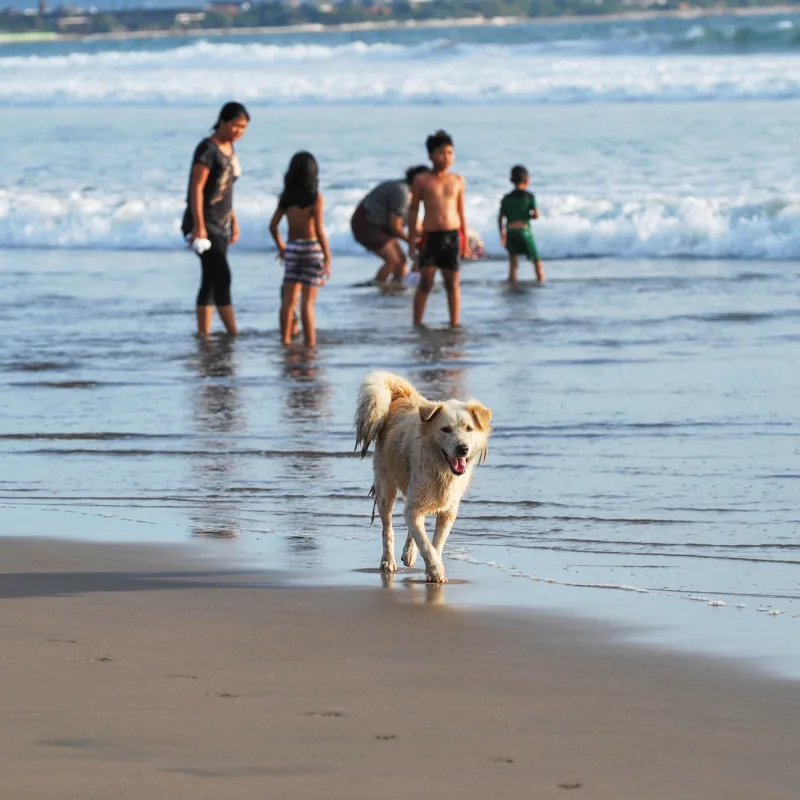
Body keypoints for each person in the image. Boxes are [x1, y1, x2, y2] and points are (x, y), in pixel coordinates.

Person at [182, 101, 250, 337]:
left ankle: (204, 333)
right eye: (235, 125)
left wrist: (234, 220)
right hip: (204, 222)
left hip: (221, 221)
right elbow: (196, 189)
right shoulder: (207, 150)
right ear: (222, 122)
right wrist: (199, 225)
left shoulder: (231, 149)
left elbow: (227, 191)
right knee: (222, 275)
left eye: (243, 127)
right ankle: (233, 332)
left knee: (210, 279)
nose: (238, 131)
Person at [408, 130, 470, 328]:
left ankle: (455, 323)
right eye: (441, 153)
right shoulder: (422, 180)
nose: (446, 157)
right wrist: (411, 242)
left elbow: (461, 211)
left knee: (452, 283)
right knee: (426, 282)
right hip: (431, 236)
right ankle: (417, 323)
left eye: (450, 152)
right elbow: (413, 211)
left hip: (452, 235)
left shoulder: (458, 180)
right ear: (430, 155)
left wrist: (465, 239)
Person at [269, 151, 331, 348]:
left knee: (288, 302)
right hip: (312, 248)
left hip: (293, 249)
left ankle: (285, 340)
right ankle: (310, 343)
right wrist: (327, 257)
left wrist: (282, 246)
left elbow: (273, 226)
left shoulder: (286, 199)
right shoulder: (315, 199)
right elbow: (320, 230)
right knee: (308, 303)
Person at [350, 166, 429, 284]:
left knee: (401, 261)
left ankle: (396, 290)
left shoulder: (412, 193)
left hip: (380, 226)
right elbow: (395, 226)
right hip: (367, 224)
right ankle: (376, 286)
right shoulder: (403, 193)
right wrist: (411, 242)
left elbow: (415, 224)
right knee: (393, 260)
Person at [498, 164, 545, 285]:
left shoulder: (506, 198)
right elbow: (535, 215)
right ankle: (541, 282)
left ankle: (512, 284)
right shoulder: (529, 197)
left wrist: (502, 235)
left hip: (510, 232)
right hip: (524, 231)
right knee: (536, 262)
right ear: (527, 180)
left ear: (511, 180)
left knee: (513, 264)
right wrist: (528, 212)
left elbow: (501, 217)